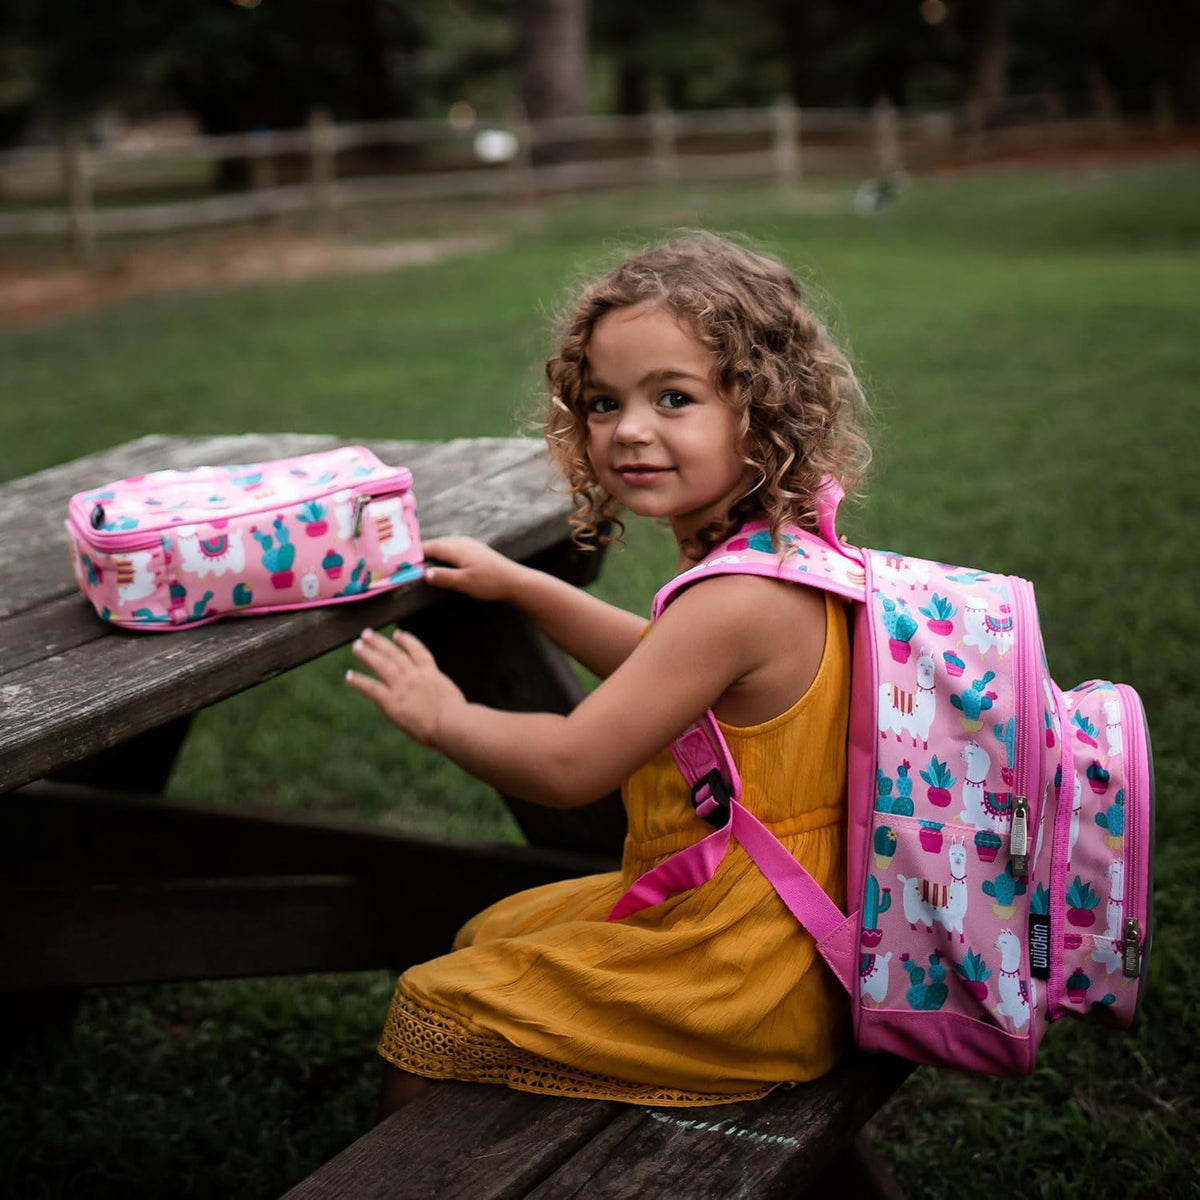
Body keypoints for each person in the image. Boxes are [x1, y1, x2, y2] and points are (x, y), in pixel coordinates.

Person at [345, 232, 871, 1117]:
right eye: (601, 402)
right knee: (495, 929)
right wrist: (525, 587)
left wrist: (442, 715)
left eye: (674, 397)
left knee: (435, 1005)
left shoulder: (735, 599)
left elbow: (570, 764)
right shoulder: (786, 555)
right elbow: (662, 676)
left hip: (744, 968)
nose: (628, 430)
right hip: (777, 914)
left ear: (763, 410)